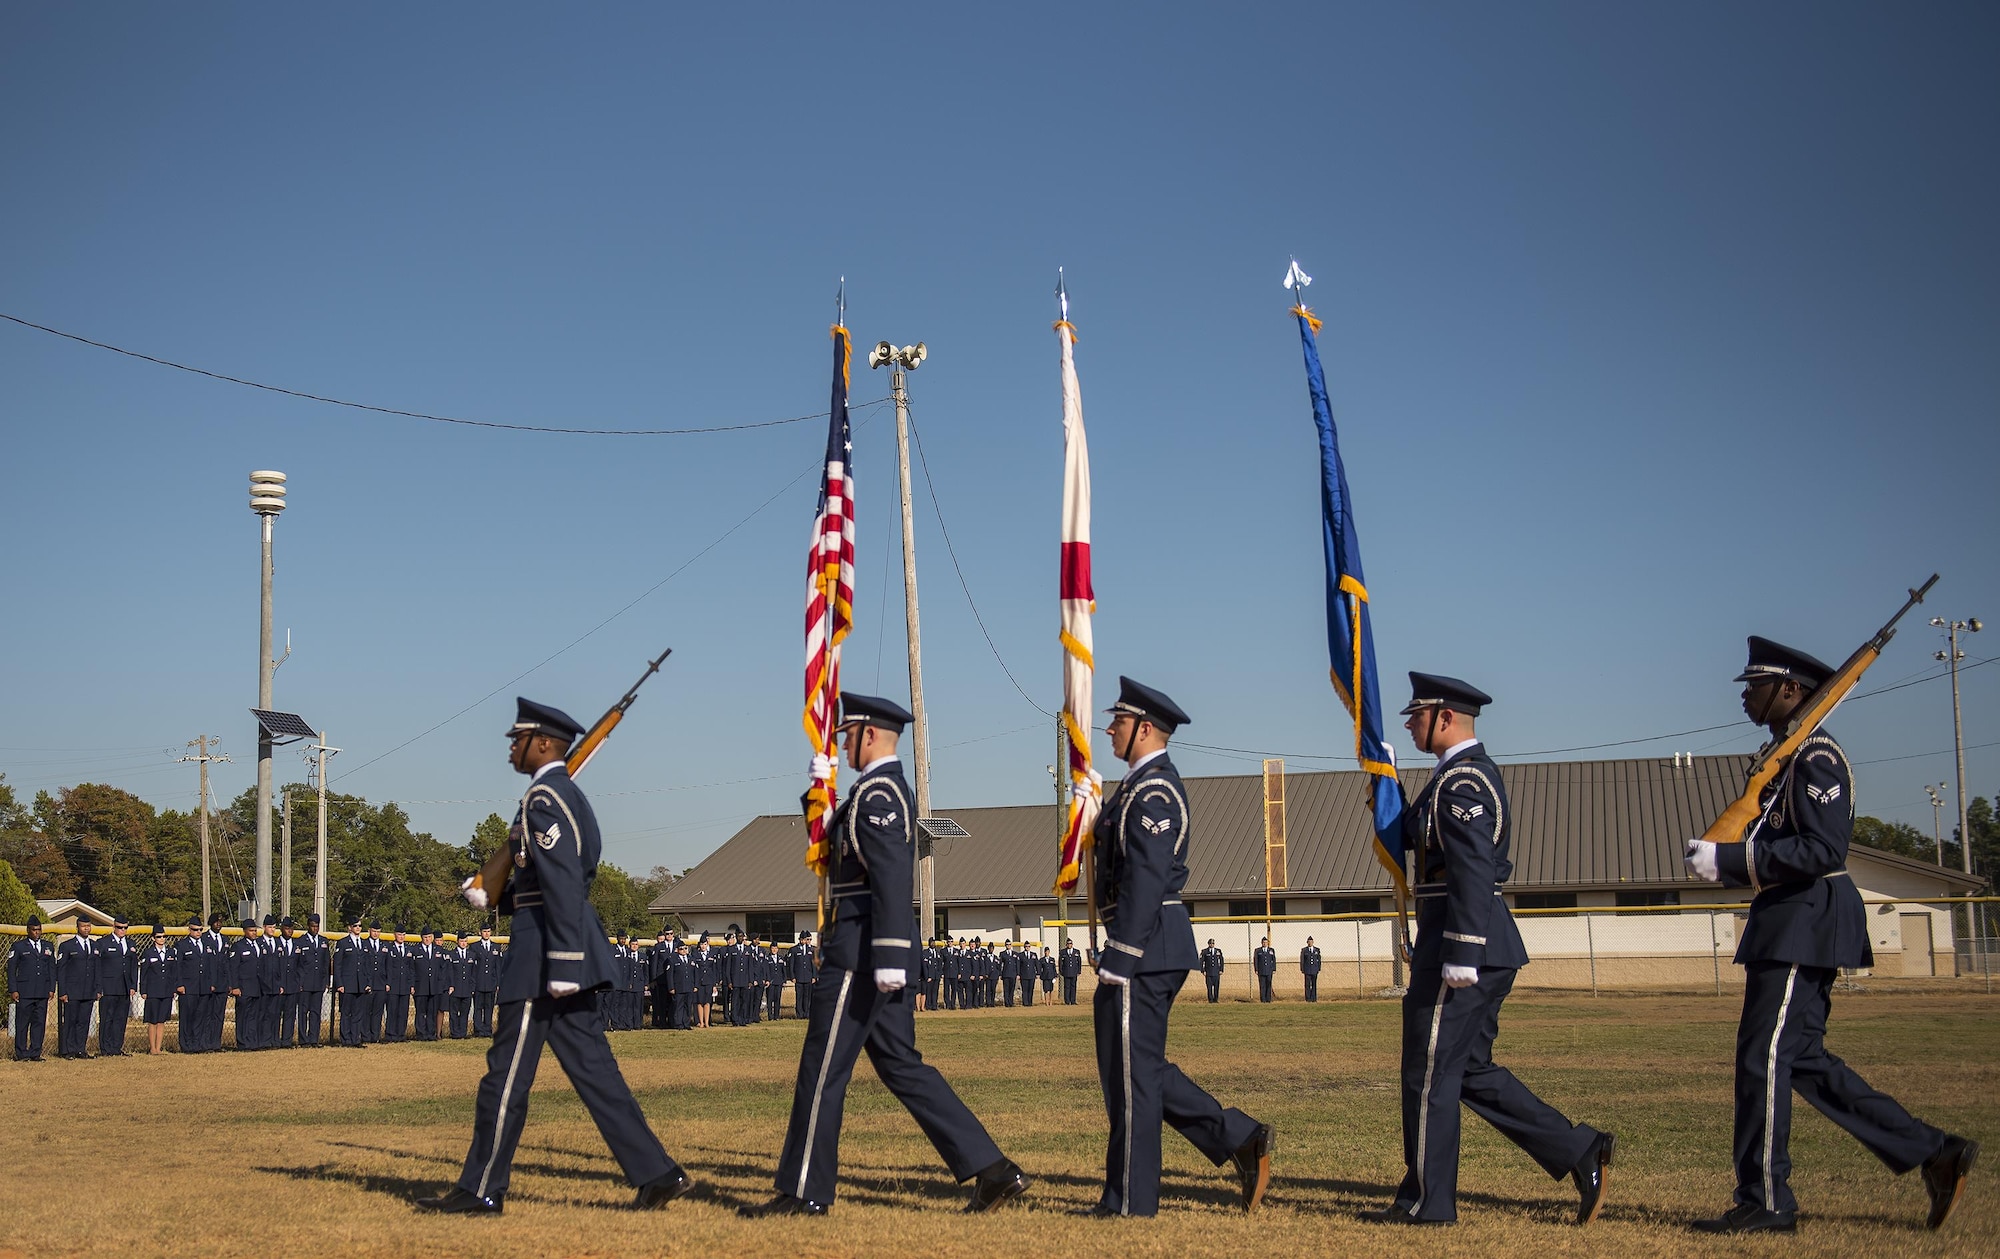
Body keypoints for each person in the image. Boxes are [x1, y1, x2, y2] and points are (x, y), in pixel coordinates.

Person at [1683, 639, 1978, 1235]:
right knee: (1804, 1061)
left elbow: (1822, 849)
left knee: (1763, 1060)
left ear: (1791, 689)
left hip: (1804, 921)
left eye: (1756, 684)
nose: (1744, 694)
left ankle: (1765, 1200)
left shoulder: (1815, 756)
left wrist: (1734, 861)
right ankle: (1932, 1151)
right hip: (1790, 920)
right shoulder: (1785, 757)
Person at [745, 693, 1028, 1218]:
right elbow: (833, 850)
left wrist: (894, 953)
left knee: (822, 1067)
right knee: (902, 1066)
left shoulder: (879, 794)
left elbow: (891, 877)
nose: (844, 744)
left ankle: (804, 1190)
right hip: (873, 953)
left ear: (870, 735)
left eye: (847, 736)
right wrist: (819, 794)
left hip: (863, 955)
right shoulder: (870, 793)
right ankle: (992, 1168)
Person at [419, 697, 693, 1215]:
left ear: (543, 744)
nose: (510, 748)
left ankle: (480, 1188)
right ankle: (658, 1173)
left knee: (504, 1075)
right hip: (556, 946)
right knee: (595, 1073)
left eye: (517, 740)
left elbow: (565, 879)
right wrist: (493, 889)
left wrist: (563, 962)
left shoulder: (545, 797)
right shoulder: (555, 796)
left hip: (546, 955)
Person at [1364, 673, 1613, 1227]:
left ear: (1445, 717)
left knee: (1426, 1074)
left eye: (1417, 715)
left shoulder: (1464, 782)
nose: (1409, 723)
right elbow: (1410, 833)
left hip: (1464, 943)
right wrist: (1383, 777)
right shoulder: (1448, 778)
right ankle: (1579, 1149)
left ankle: (1428, 1201)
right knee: (1468, 1071)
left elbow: (1473, 867)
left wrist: (1463, 949)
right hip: (1464, 940)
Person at [1080, 677, 1271, 1219]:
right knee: (1135, 1072)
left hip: (1147, 947)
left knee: (1133, 1078)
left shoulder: (1155, 791)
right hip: (1144, 944)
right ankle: (1237, 1136)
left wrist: (1121, 954)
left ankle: (1130, 1202)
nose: (1110, 728)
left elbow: (1145, 875)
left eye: (1119, 720)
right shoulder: (1134, 789)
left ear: (1145, 728)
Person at [8, 915, 55, 1060]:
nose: (37, 932)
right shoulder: (19, 947)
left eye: (39, 930)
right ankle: (21, 1053)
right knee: (22, 1024)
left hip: (42, 991)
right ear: (28, 930)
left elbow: (52, 968)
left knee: (39, 1023)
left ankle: (35, 1052)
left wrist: (51, 988)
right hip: (25, 991)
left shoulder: (48, 946)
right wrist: (13, 989)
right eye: (34, 930)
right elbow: (11, 969)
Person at [95, 915, 138, 1056]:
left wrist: (133, 985)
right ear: (114, 927)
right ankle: (105, 1049)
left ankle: (116, 1047)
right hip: (108, 987)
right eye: (120, 927)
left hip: (124, 987)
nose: (122, 930)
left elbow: (133, 966)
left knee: (120, 1019)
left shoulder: (131, 944)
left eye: (125, 928)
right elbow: (98, 967)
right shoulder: (103, 943)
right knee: (107, 1018)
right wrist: (99, 987)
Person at [57, 917, 100, 1058]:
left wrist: (98, 989)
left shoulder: (94, 946)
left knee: (84, 1021)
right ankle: (68, 1050)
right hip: (72, 991)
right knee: (70, 1021)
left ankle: (80, 1049)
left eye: (88, 926)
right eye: (83, 926)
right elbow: (61, 970)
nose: (86, 928)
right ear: (77, 928)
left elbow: (97, 969)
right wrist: (62, 991)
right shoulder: (67, 946)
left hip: (88, 991)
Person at [139, 926, 176, 1055]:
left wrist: (174, 989)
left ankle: (158, 1048)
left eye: (164, 936)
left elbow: (173, 972)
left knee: (161, 1020)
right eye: (159, 937)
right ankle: (152, 1048)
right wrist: (143, 990)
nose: (162, 939)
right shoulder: (148, 953)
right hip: (153, 991)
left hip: (166, 991)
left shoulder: (171, 952)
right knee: (152, 1020)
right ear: (153, 938)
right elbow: (143, 973)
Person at [295, 914, 331, 1047]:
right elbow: (297, 964)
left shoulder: (323, 941)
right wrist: (299, 982)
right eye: (313, 926)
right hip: (305, 983)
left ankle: (313, 1039)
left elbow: (326, 962)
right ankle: (303, 1040)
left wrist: (326, 981)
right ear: (308, 926)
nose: (315, 929)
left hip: (318, 983)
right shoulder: (300, 941)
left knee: (316, 1012)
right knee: (303, 1012)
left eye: (317, 926)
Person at [230, 918, 265, 1050]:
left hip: (257, 987)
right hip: (243, 987)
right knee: (243, 1016)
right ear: (244, 931)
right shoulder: (238, 947)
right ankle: (242, 1042)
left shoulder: (259, 945)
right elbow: (233, 968)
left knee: (254, 1016)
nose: (254, 933)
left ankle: (252, 1041)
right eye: (251, 931)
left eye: (255, 930)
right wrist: (235, 986)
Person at [173, 916, 206, 1052]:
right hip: (188, 987)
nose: (198, 932)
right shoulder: (181, 945)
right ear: (189, 929)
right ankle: (186, 1045)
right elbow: (177, 967)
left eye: (200, 930)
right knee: (187, 1017)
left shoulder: (206, 944)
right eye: (195, 929)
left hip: (202, 987)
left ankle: (197, 1043)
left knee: (199, 1016)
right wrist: (179, 984)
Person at [471, 924, 501, 1036]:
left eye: (488, 931)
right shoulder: (474, 947)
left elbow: (498, 966)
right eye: (484, 931)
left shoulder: (496, 947)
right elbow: (473, 967)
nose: (486, 933)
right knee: (478, 1007)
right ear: (480, 932)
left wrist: (498, 983)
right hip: (479, 982)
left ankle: (487, 1029)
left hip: (491, 983)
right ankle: (478, 1030)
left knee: (489, 1007)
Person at [447, 934, 474, 1038]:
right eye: (462, 941)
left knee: (464, 1012)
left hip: (467, 988)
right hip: (455, 988)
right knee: (453, 1013)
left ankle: (463, 1032)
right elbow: (450, 972)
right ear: (457, 941)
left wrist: (472, 987)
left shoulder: (471, 954)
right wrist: (451, 985)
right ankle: (454, 1033)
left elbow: (473, 973)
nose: (464, 943)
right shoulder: (452, 954)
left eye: (465, 941)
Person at [791, 931, 818, 1019]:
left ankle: (807, 1013)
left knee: (807, 996)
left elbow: (813, 964)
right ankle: (800, 1014)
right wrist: (792, 976)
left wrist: (814, 976)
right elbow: (791, 964)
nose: (804, 941)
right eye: (802, 939)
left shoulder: (811, 950)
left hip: (808, 976)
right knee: (799, 996)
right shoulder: (794, 949)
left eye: (805, 939)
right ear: (800, 940)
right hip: (798, 977)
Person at [1253, 937, 1276, 1003]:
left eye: (1266, 942)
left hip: (1269, 970)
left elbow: (1273, 960)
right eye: (1263, 942)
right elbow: (1256, 960)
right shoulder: (1258, 950)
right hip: (1261, 970)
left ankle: (1268, 999)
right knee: (1262, 985)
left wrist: (1274, 969)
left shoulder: (1271, 950)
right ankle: (1263, 999)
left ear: (1268, 943)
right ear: (1261, 943)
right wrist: (1256, 969)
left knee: (1268, 984)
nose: (1265, 944)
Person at [1059, 940, 1082, 1005]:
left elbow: (1079, 962)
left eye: (1070, 943)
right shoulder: (1063, 952)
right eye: (1068, 944)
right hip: (1066, 972)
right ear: (1066, 944)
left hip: (1074, 972)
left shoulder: (1076, 951)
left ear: (1072, 944)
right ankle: (1067, 1001)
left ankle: (1073, 1001)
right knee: (1067, 987)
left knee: (1073, 986)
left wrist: (1079, 971)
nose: (1069, 945)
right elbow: (1061, 962)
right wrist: (1061, 971)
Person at [1300, 937, 1322, 1004]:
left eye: (1311, 941)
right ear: (1307, 942)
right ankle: (1308, 998)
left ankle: (1314, 998)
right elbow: (1302, 960)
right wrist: (1302, 969)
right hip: (1307, 970)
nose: (1310, 943)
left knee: (1314, 984)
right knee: (1307, 984)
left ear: (1313, 942)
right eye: (1309, 941)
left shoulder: (1317, 950)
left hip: (1314, 969)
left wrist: (1318, 968)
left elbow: (1319, 960)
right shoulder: (1304, 950)